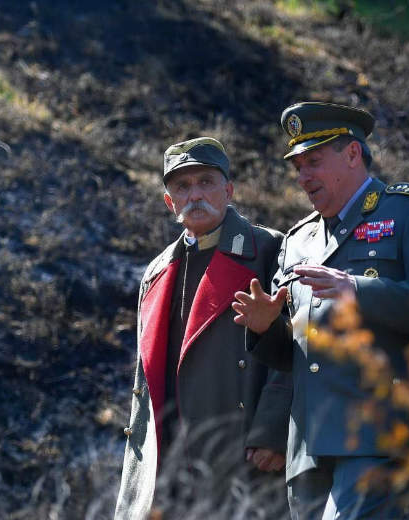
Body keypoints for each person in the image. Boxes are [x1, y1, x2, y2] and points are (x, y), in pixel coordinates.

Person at [232, 102, 409, 519]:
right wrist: (266, 328)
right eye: (298, 166)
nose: (304, 177)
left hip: (377, 433)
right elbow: (294, 354)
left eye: (314, 162)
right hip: (308, 444)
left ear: (353, 154)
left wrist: (358, 290)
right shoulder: (297, 239)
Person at [114, 137, 291, 520]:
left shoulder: (269, 250)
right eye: (182, 186)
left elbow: (297, 350)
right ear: (169, 202)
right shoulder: (156, 271)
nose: (195, 194)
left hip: (241, 454)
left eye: (206, 181)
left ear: (229, 189)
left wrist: (273, 430)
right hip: (169, 463)